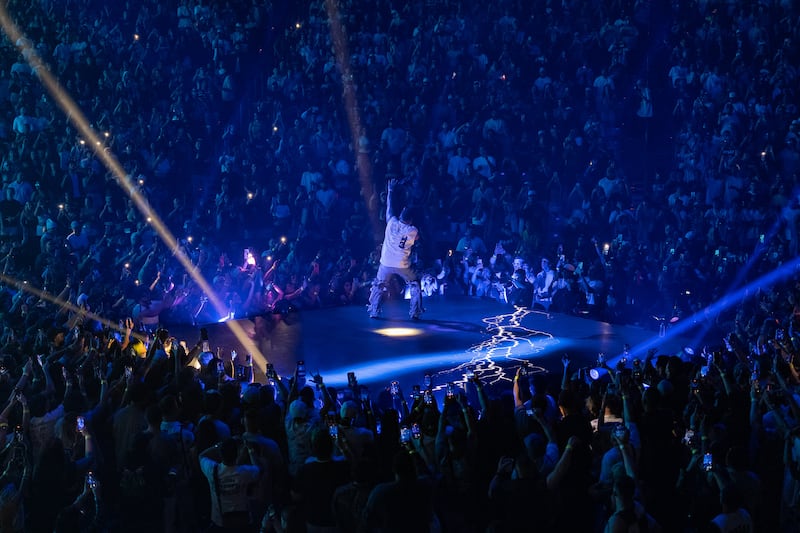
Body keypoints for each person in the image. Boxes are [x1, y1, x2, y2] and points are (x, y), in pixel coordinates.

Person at [367, 179, 423, 320]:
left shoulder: (391, 222)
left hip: (386, 262)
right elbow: (416, 239)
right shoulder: (412, 230)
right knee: (415, 283)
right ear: (410, 220)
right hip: (402, 264)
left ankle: (374, 310)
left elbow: (389, 207)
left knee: (379, 285)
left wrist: (390, 191)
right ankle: (415, 312)